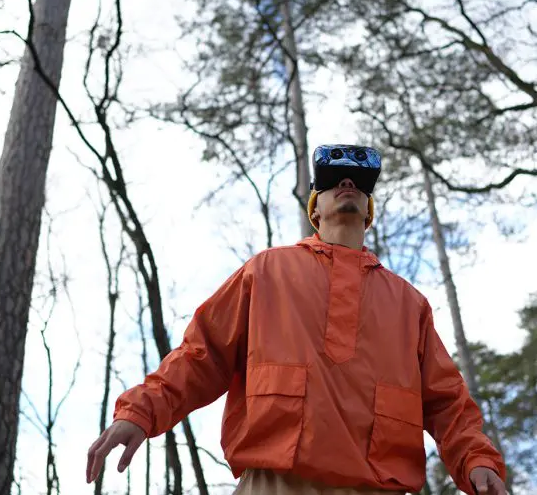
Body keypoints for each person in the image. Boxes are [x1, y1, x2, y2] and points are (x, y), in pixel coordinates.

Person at [86, 145, 507, 494]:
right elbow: (202, 354)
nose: (347, 185)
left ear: (369, 212)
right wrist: (139, 412)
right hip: (273, 483)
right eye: (333, 181)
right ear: (315, 210)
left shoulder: (410, 304)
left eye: (359, 184)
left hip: (381, 487)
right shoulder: (266, 271)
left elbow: (447, 401)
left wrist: (476, 458)